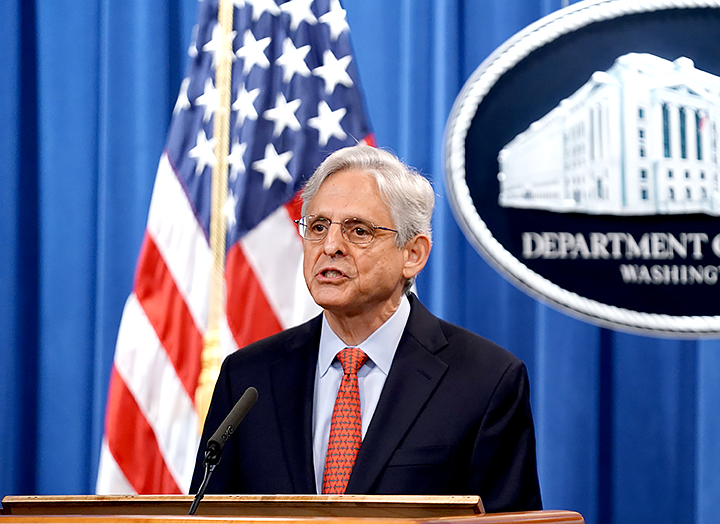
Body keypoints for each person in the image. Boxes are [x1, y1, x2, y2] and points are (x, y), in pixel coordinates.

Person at [190, 145, 542, 513]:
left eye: (358, 230)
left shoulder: (486, 381)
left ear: (413, 255)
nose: (330, 246)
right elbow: (206, 516)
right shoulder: (248, 377)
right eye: (318, 226)